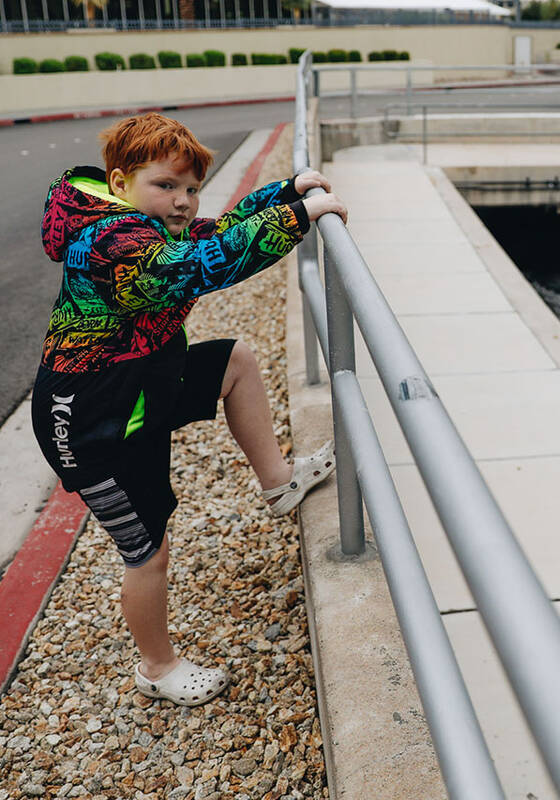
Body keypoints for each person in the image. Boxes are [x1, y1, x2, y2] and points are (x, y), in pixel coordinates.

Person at [31, 112, 347, 707]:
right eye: (166, 186)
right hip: (92, 421)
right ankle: (156, 665)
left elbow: (210, 234)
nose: (182, 202)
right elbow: (197, 266)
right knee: (146, 550)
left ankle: (278, 484)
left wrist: (285, 193)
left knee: (235, 362)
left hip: (141, 386)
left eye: (191, 187)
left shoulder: (139, 221)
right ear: (120, 182)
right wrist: (296, 221)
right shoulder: (112, 241)